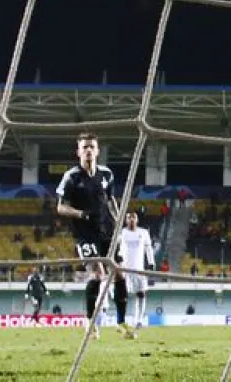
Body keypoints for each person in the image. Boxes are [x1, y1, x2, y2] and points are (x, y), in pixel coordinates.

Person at [55, 132, 129, 338]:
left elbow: (111, 199)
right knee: (98, 274)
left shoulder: (106, 174)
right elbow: (60, 207)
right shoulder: (71, 177)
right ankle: (90, 323)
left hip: (107, 232)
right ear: (78, 151)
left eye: (91, 147)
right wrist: (81, 214)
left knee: (119, 272)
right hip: (85, 234)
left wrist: (118, 221)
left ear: (97, 151)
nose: (88, 150)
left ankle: (122, 323)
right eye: (84, 147)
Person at [118, 211, 157, 333]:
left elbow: (148, 248)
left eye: (133, 217)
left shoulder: (143, 233)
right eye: (129, 217)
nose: (131, 219)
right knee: (123, 295)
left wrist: (151, 263)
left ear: (137, 219)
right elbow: (116, 247)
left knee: (141, 294)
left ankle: (138, 320)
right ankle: (121, 321)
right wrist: (118, 257)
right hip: (125, 269)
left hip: (139, 269)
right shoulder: (122, 233)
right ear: (126, 220)